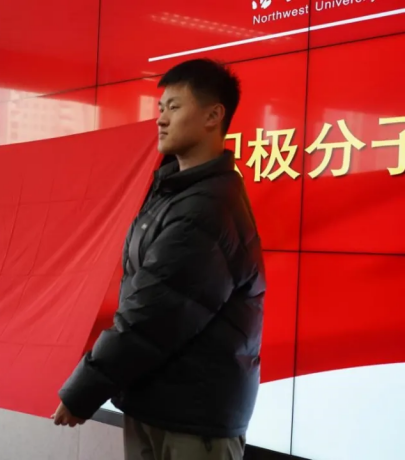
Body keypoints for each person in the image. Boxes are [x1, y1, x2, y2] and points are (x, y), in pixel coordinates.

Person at [53, 59, 265, 460]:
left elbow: (153, 315)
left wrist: (84, 390)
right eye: (160, 108)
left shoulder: (207, 208)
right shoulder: (174, 191)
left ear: (213, 115)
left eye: (174, 107)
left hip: (194, 421)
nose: (161, 119)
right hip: (158, 404)